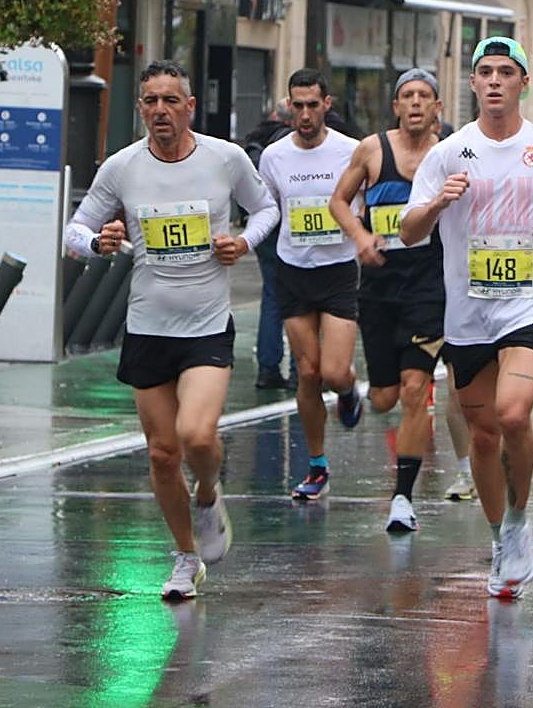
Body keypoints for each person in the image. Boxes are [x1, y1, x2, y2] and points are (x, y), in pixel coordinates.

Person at [64, 60, 279, 600]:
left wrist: (244, 243)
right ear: (141, 109)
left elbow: (267, 209)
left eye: (169, 100)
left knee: (197, 436)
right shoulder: (122, 167)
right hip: (148, 325)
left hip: (206, 325)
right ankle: (186, 558)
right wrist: (98, 242)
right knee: (162, 453)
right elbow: (75, 229)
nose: (160, 110)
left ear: (189, 106)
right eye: (150, 101)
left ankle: (208, 494)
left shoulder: (225, 159)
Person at [400, 36, 533, 599]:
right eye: (484, 72)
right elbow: (408, 231)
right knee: (484, 436)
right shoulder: (447, 152)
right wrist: (439, 202)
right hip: (468, 313)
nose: (494, 81)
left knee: (514, 415)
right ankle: (500, 536)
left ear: (523, 83)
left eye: (505, 72)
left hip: (531, 303)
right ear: (471, 84)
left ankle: (519, 518)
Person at [328, 68, 473, 533]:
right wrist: (360, 235)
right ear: (395, 106)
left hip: (430, 285)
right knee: (385, 398)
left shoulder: (451, 154)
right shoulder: (372, 150)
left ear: (437, 108)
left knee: (415, 391)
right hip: (380, 284)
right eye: (406, 96)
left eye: (424, 96)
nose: (414, 103)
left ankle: (402, 499)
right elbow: (337, 202)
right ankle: (353, 390)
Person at [258, 69, 364, 502]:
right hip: (294, 270)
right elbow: (267, 208)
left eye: (311, 105)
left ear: (327, 104)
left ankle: (349, 390)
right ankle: (317, 465)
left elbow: (369, 203)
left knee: (335, 372)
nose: (303, 114)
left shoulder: (352, 152)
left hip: (339, 269)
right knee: (307, 372)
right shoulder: (274, 156)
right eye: (296, 105)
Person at [242, 98, 296, 389]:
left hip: (264, 227)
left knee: (272, 297)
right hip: (289, 226)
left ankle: (268, 368)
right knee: (300, 298)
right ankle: (299, 370)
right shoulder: (291, 144)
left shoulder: (255, 141)